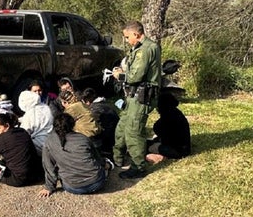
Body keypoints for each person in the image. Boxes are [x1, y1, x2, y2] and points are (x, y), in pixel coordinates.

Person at [112, 21, 162, 179]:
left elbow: (135, 76)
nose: (127, 40)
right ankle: (117, 157)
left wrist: (119, 75)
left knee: (133, 131)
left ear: (136, 34)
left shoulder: (146, 49)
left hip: (141, 97)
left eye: (127, 37)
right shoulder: (139, 48)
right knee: (122, 127)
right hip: (132, 96)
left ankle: (138, 166)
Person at [39, 113, 113, 197]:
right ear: (73, 125)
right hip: (96, 183)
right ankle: (109, 166)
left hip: (73, 187)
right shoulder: (83, 138)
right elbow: (96, 158)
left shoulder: (49, 141)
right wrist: (104, 164)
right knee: (102, 165)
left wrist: (49, 187)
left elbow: (49, 166)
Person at [0, 112, 43, 187]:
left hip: (18, 179)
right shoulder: (22, 131)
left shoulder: (3, 139)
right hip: (34, 175)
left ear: (7, 126)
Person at [146, 93, 191, 164]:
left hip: (176, 150)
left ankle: (160, 157)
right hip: (183, 148)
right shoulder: (177, 113)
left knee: (148, 147)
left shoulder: (167, 117)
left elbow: (157, 129)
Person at [80, 87, 120, 159]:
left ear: (87, 101)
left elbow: (92, 127)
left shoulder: (95, 110)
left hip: (108, 138)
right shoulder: (105, 104)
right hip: (115, 132)